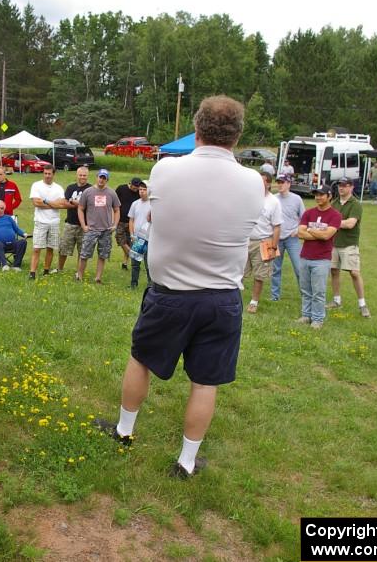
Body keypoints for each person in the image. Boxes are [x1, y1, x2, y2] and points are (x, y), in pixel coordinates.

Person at [94, 95, 264, 478]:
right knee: (205, 382)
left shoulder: (166, 170)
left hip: (170, 293)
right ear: (237, 136)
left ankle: (124, 431)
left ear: (197, 128)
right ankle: (185, 463)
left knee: (141, 360)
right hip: (222, 298)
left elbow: (159, 211)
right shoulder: (254, 183)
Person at [296, 184, 341, 329]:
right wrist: (317, 233)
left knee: (318, 291)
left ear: (329, 196)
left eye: (321, 194)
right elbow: (300, 233)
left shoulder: (335, 215)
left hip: (321, 259)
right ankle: (306, 315)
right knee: (305, 289)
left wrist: (310, 229)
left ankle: (317, 319)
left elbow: (327, 235)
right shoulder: (308, 213)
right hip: (305, 256)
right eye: (316, 194)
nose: (318, 197)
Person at [327, 177, 370, 317]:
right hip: (334, 243)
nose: (341, 188)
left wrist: (334, 223)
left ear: (351, 187)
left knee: (354, 273)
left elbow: (350, 224)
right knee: (334, 271)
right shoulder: (334, 203)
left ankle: (362, 304)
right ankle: (336, 300)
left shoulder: (355, 204)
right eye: (340, 185)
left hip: (349, 244)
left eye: (345, 186)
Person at [244, 172, 282, 314]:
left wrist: (273, 247)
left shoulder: (274, 202)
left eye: (263, 181)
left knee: (260, 275)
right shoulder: (249, 198)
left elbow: (277, 226)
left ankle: (254, 302)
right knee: (239, 272)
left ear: (268, 184)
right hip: (245, 240)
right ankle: (234, 298)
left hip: (263, 241)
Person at [76, 169, 120, 283]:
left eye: (104, 178)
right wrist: (84, 225)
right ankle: (79, 276)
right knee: (84, 254)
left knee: (103, 255)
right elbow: (80, 209)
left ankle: (98, 278)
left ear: (107, 180)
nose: (101, 180)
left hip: (106, 230)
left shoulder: (111, 193)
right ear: (96, 177)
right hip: (91, 229)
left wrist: (114, 225)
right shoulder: (88, 192)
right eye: (100, 177)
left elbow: (116, 209)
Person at [28, 165, 65, 280]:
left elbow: (61, 204)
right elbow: (36, 203)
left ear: (53, 174)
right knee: (37, 248)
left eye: (49, 174)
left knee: (50, 248)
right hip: (40, 221)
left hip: (54, 222)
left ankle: (46, 271)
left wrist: (44, 200)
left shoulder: (59, 188)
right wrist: (53, 204)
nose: (47, 176)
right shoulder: (36, 185)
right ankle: (32, 273)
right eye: (45, 173)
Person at [270, 174, 304, 302]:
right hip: (276, 238)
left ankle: (304, 294)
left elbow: (304, 218)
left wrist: (297, 230)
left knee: (299, 267)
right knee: (275, 268)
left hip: (292, 238)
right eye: (278, 182)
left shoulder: (297, 199)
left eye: (283, 182)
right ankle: (274, 296)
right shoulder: (273, 199)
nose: (280, 185)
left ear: (289, 184)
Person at [57, 166, 91, 272]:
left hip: (85, 225)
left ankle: (79, 272)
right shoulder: (70, 188)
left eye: (84, 175)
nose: (82, 177)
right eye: (80, 175)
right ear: (77, 175)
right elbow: (64, 203)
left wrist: (74, 202)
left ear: (87, 176)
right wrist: (79, 204)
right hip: (70, 223)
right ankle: (59, 269)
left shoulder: (91, 190)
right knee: (63, 248)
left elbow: (90, 205)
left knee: (82, 251)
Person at [127, 181, 151, 289]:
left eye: (144, 189)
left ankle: (151, 285)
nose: (141, 192)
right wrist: (132, 234)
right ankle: (133, 284)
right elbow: (131, 220)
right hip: (137, 238)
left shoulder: (153, 204)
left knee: (149, 264)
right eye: (140, 189)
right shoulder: (135, 204)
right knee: (135, 263)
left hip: (150, 239)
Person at [114, 177, 142, 270]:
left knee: (129, 242)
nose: (136, 189)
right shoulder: (121, 189)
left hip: (132, 221)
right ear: (130, 183)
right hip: (120, 220)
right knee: (120, 238)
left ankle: (125, 263)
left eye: (137, 187)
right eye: (134, 186)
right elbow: (114, 202)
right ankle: (134, 255)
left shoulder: (139, 193)